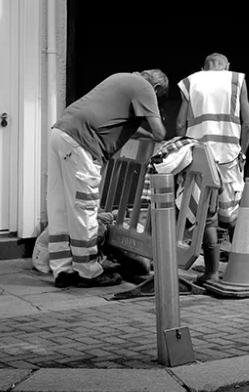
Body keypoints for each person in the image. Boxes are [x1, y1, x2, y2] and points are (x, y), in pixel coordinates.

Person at [48, 69, 169, 288]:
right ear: (157, 88)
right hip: (82, 145)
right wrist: (154, 127)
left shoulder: (120, 78)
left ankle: (63, 270)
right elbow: (159, 132)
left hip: (61, 133)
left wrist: (143, 133)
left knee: (61, 207)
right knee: (85, 208)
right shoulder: (145, 88)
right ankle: (89, 272)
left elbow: (118, 125)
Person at [175, 52, 249, 284]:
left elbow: (180, 122)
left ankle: (210, 272)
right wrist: (242, 152)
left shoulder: (191, 80)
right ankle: (241, 265)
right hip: (229, 155)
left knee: (206, 215)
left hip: (199, 155)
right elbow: (247, 124)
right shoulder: (237, 79)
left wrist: (182, 149)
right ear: (227, 65)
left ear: (203, 67)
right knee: (232, 212)